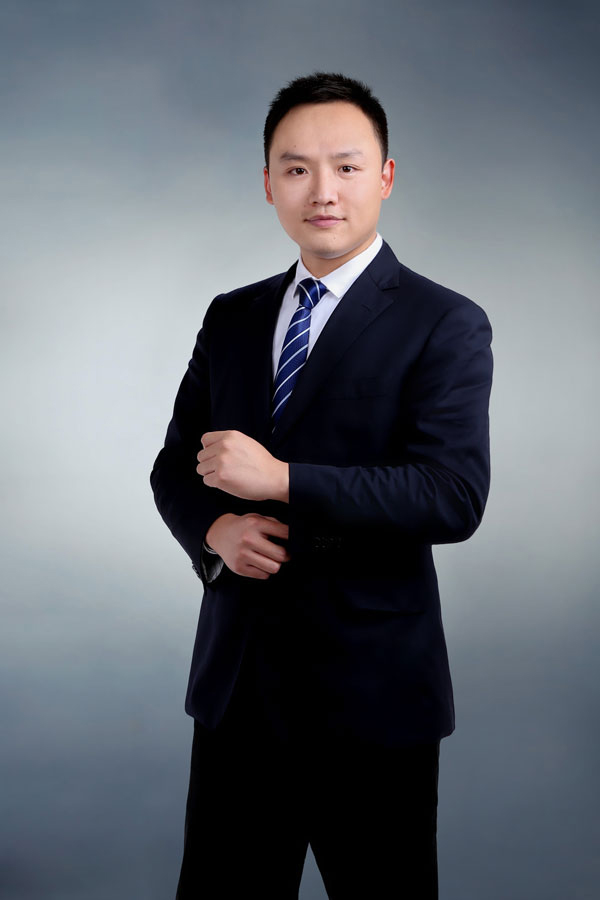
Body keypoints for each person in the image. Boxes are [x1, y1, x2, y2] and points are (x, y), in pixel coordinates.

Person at [150, 71, 493, 899]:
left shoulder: (443, 321)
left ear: (386, 176)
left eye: (346, 166)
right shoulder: (232, 315)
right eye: (297, 168)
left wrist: (282, 481)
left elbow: (451, 495)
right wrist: (214, 533)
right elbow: (174, 465)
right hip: (238, 686)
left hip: (374, 694)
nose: (323, 190)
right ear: (269, 183)